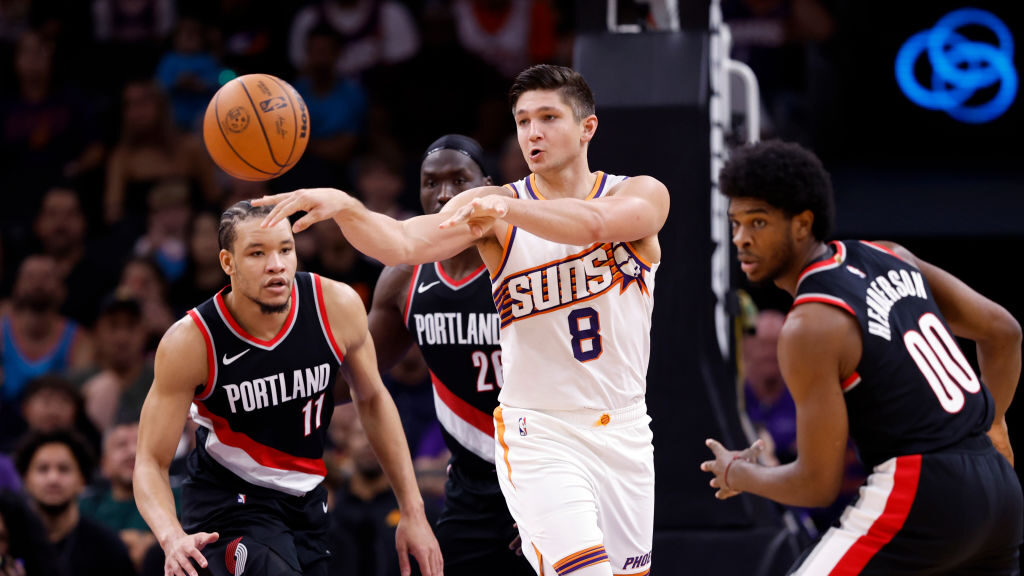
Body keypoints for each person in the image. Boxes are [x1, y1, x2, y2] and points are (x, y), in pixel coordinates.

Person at [255, 64, 671, 576]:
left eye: (548, 117)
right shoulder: (491, 207)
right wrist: (347, 209)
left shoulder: (639, 193)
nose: (533, 133)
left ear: (587, 128)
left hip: (626, 429)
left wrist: (505, 209)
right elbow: (404, 242)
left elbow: (594, 224)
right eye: (522, 121)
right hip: (540, 432)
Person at [701, 140, 1023, 574]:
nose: (741, 238)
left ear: (802, 224)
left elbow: (816, 484)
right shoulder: (891, 254)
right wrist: (993, 422)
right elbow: (1004, 331)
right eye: (735, 223)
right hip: (1000, 492)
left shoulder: (810, 324)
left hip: (921, 488)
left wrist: (737, 474)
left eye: (758, 222)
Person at [133, 200, 442, 576]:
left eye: (285, 249)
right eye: (257, 253)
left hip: (306, 499)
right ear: (228, 263)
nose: (276, 264)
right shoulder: (192, 341)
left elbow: (373, 398)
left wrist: (413, 511)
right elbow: (150, 460)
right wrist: (171, 537)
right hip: (229, 504)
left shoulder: (336, 304)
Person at [366, 134, 532, 575]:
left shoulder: (523, 261)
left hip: (540, 474)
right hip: (468, 488)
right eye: (431, 182)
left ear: (488, 186)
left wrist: (549, 493)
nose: (444, 195)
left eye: (460, 180)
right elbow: (354, 378)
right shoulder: (404, 277)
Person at [15, 429, 136, 576]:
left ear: (82, 480)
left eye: (64, 469)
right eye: (43, 469)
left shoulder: (107, 546)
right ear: (25, 479)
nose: (53, 478)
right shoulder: (10, 542)